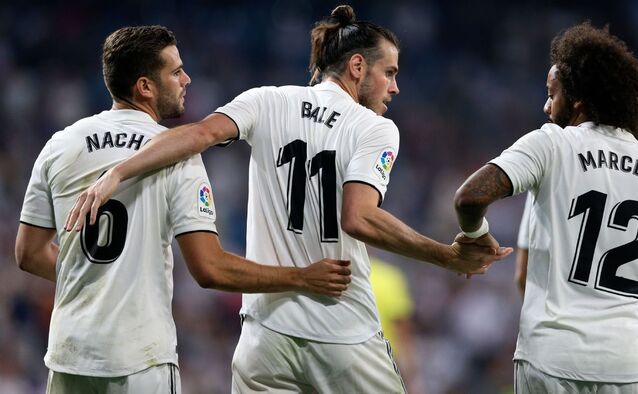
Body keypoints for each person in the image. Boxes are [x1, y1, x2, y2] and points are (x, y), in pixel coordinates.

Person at [63, 6, 513, 393]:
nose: (395, 87)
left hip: (263, 339)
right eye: (389, 72)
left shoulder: (266, 100)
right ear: (357, 67)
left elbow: (196, 135)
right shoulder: (374, 128)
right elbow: (358, 218)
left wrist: (117, 171)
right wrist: (447, 257)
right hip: (342, 332)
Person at [15, 25, 352, 394]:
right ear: (144, 86)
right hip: (141, 361)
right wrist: (301, 277)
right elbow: (209, 269)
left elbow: (29, 253)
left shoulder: (60, 146)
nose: (186, 79)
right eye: (175, 71)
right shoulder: (175, 153)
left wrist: (94, 279)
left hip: (69, 356)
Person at [454, 22, 638, 393]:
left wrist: (475, 235)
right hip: (631, 366)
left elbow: (470, 197)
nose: (546, 105)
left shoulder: (552, 147)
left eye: (552, 94)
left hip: (552, 360)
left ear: (579, 101)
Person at [515, 150, 638, 393]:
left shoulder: (551, 162)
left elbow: (524, 276)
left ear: (579, 110)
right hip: (635, 348)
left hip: (560, 352)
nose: (548, 108)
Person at [369, 257, 424, 393]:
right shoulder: (389, 276)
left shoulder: (334, 275)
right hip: (385, 362)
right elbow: (404, 332)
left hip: (348, 360)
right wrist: (412, 379)